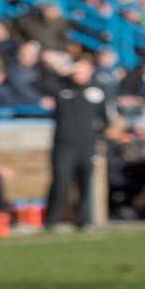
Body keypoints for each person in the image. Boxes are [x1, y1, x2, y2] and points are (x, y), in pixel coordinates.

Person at [47, 57, 112, 230]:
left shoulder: (96, 93)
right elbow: (44, 86)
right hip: (63, 145)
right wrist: (63, 73)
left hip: (86, 145)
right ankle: (52, 220)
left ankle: (84, 220)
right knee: (61, 181)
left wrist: (97, 135)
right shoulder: (61, 88)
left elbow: (104, 120)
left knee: (86, 183)